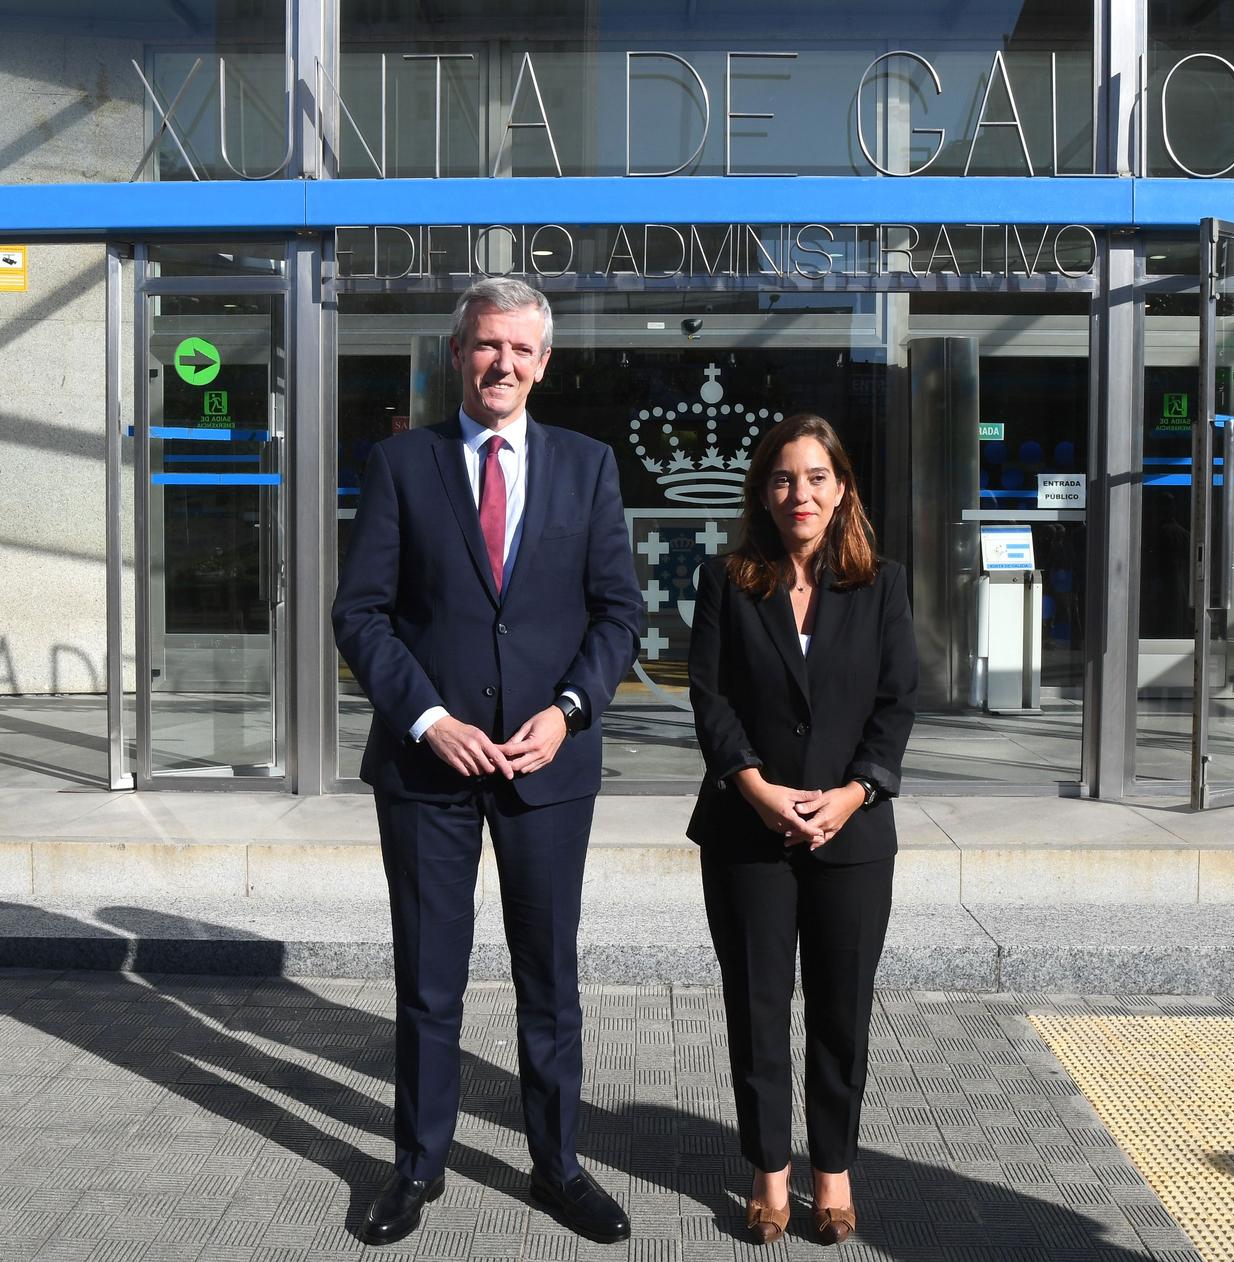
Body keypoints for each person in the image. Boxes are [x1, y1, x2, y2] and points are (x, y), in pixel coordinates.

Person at [332, 276, 643, 1246]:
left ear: (543, 362)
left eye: (520, 348)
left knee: (548, 974)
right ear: (456, 352)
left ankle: (556, 1164)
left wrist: (568, 710)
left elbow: (617, 612)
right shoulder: (400, 464)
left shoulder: (587, 466)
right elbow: (360, 612)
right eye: (484, 345)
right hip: (428, 768)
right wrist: (425, 715)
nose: (501, 363)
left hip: (547, 767)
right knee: (429, 979)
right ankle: (416, 1163)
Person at [685, 413, 917, 1246]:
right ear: (764, 491)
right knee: (756, 1004)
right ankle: (768, 1169)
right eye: (784, 478)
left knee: (840, 1010)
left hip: (851, 835)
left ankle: (834, 1170)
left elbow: (896, 704)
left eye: (816, 477)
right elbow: (708, 700)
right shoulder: (728, 579)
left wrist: (856, 792)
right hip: (749, 829)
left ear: (842, 486)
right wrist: (755, 788)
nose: (801, 493)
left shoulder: (881, 584)